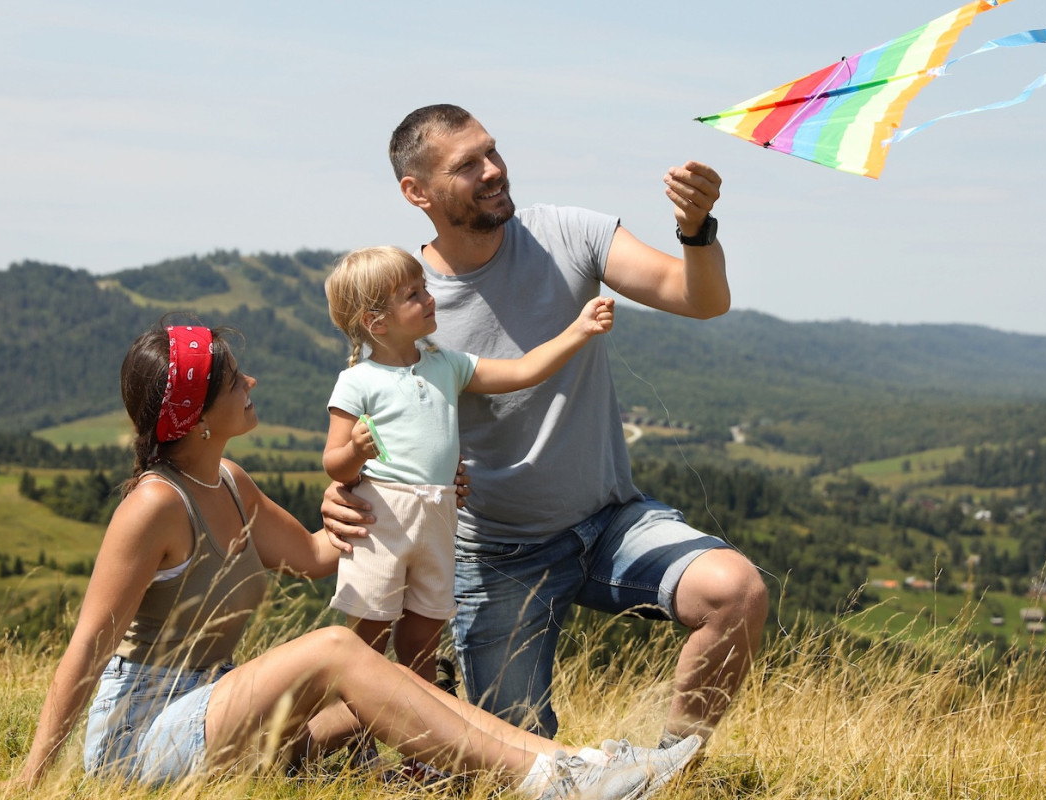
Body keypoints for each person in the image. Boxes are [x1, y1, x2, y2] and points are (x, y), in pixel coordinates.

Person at [0, 317, 701, 799]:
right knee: (335, 650)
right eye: (236, 379)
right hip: (141, 740)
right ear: (197, 416)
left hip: (214, 711)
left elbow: (316, 555)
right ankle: (552, 784)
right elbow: (89, 644)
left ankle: (580, 765)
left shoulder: (230, 483)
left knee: (387, 690)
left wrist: (401, 493)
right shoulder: (153, 504)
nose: (253, 384)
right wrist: (32, 778)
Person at [322, 105, 769, 745]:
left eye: (493, 152)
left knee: (737, 592)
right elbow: (375, 423)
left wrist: (695, 230)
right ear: (416, 192)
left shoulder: (567, 232)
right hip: (495, 554)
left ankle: (673, 774)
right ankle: (295, 739)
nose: (494, 171)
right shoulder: (408, 304)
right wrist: (341, 488)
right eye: (467, 165)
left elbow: (703, 300)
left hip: (611, 520)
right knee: (513, 755)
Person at [322, 245, 615, 683]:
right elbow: (335, 464)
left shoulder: (447, 365)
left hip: (439, 517)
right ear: (376, 323)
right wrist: (356, 452)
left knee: (422, 636)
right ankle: (351, 733)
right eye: (413, 294)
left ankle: (420, 741)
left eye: (424, 288)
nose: (429, 299)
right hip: (379, 520)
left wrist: (579, 330)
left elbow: (523, 372)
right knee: (368, 635)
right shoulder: (357, 382)